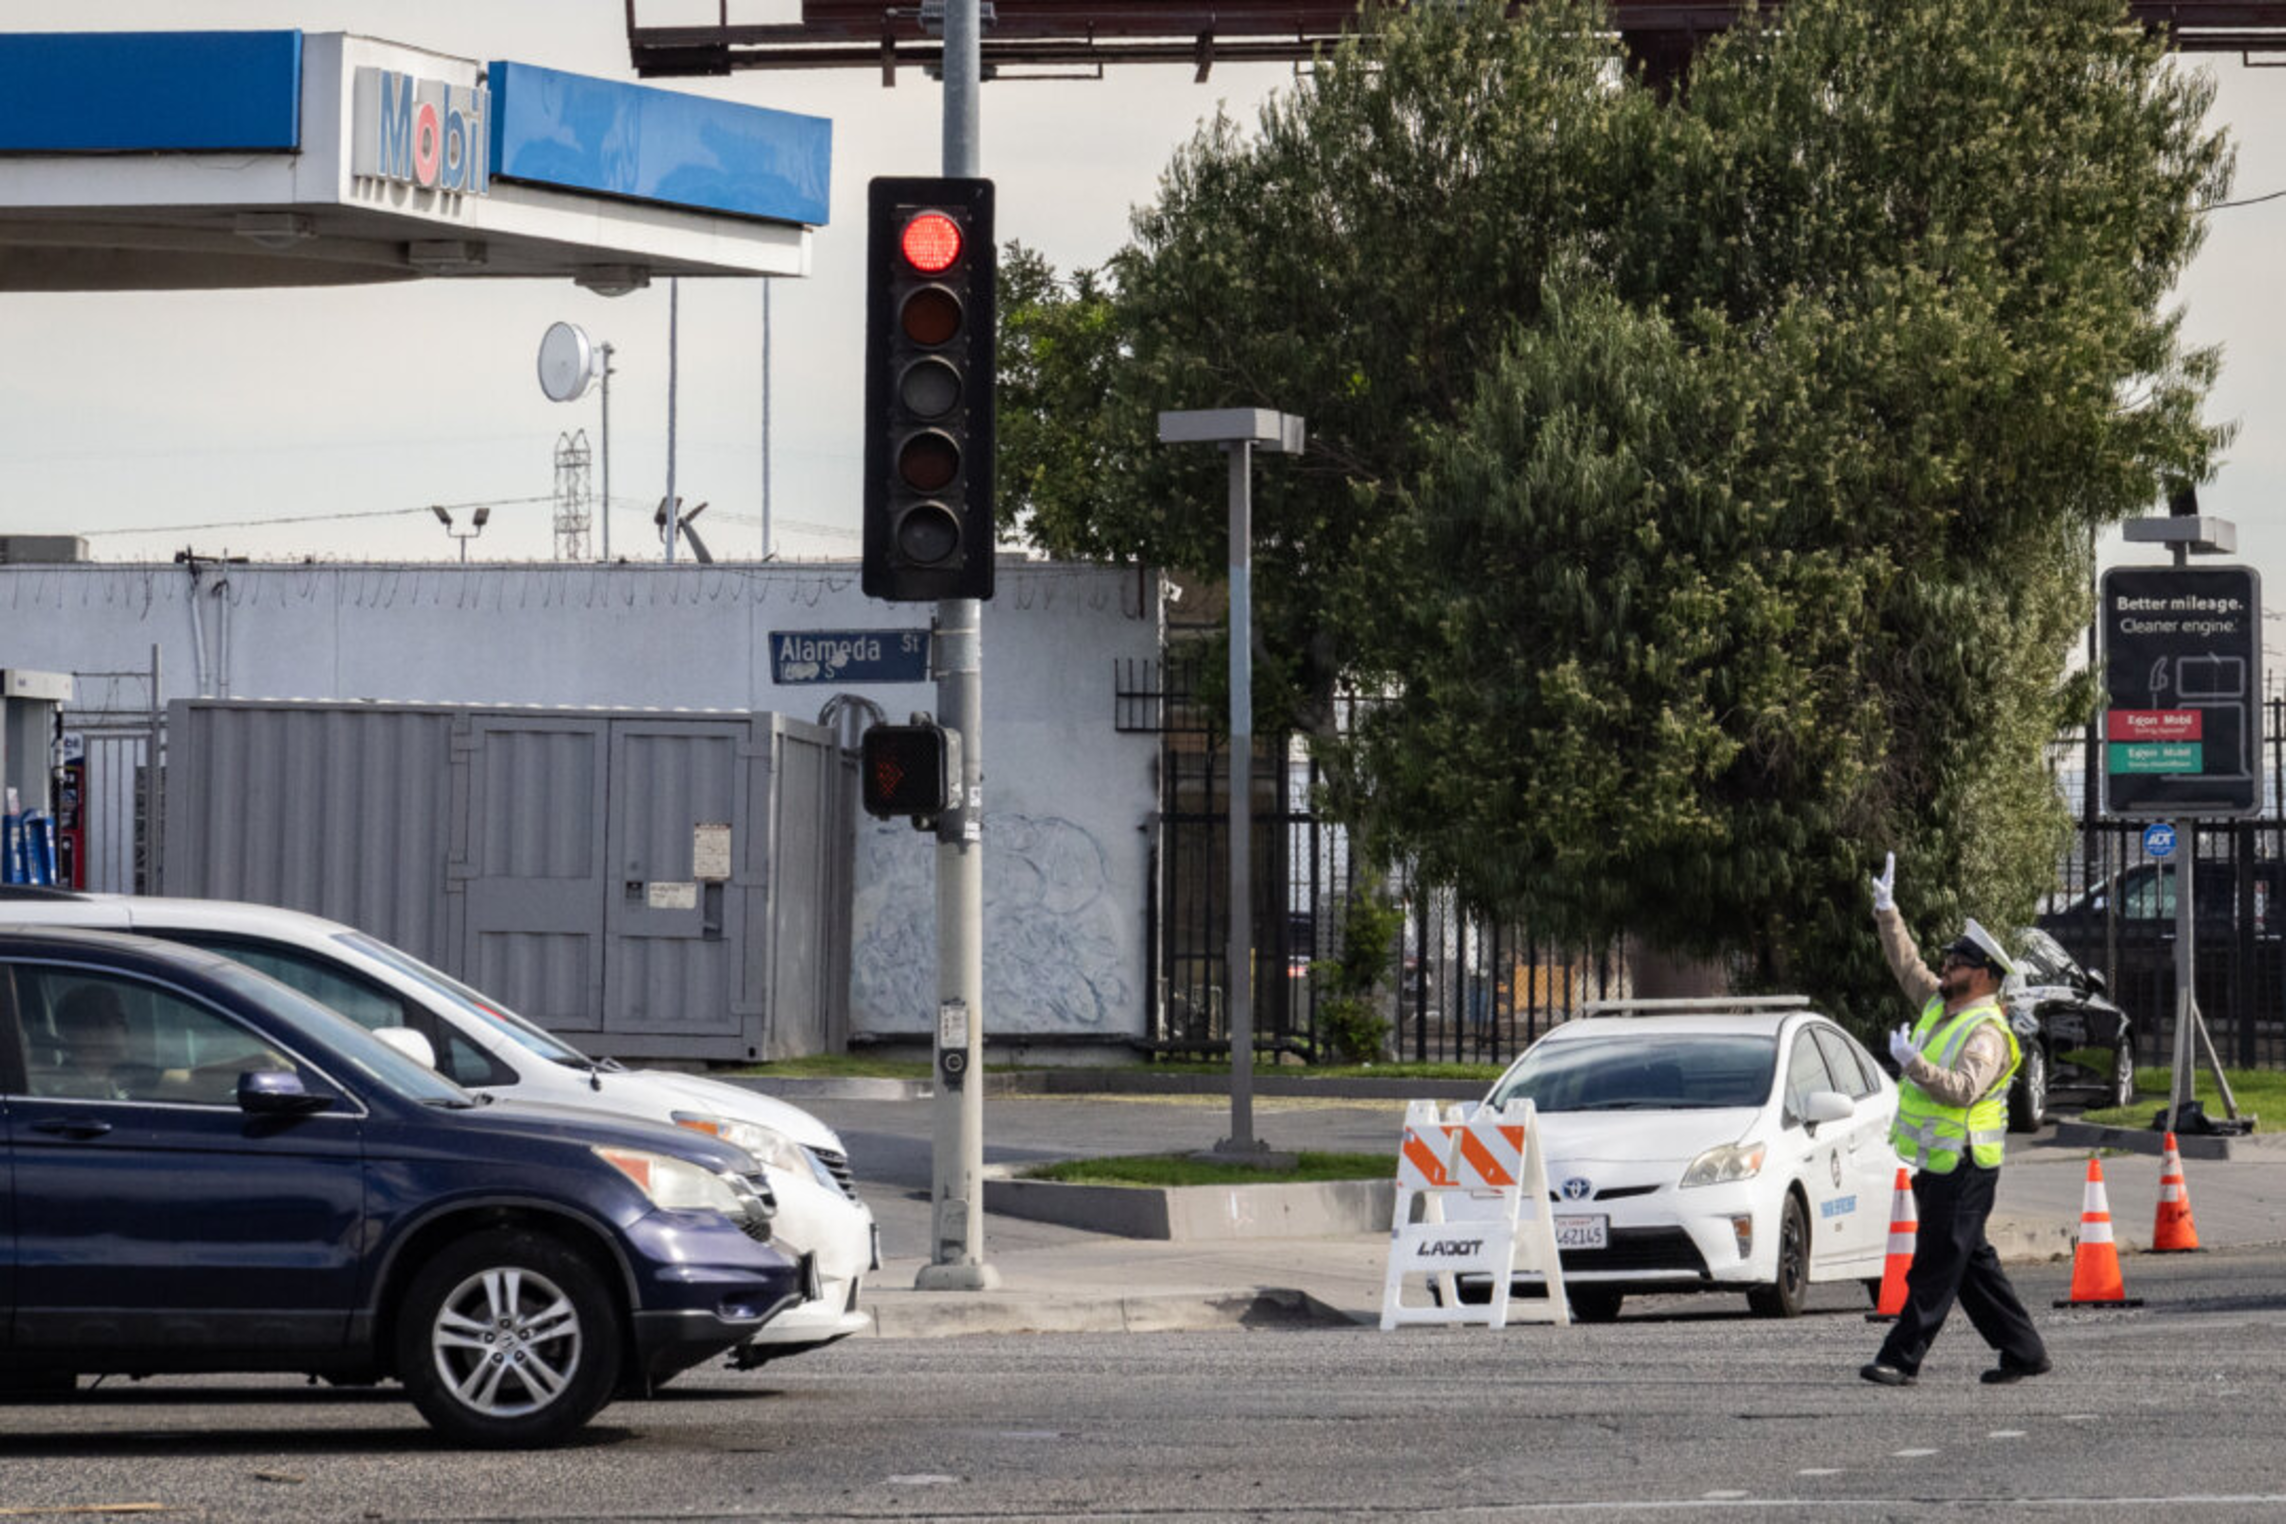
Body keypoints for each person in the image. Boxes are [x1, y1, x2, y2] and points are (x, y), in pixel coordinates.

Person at [1858, 853, 2051, 1387]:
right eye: (1947, 959)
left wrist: (1913, 1065)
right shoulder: (1941, 1006)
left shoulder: (1986, 1031)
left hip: (1967, 1167)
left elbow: (1964, 1090)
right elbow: (1906, 964)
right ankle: (2025, 1352)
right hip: (1942, 1164)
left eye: (1958, 962)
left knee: (1936, 1264)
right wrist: (1887, 912)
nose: (1946, 967)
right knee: (1971, 1264)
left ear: (1984, 975)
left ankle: (1902, 1357)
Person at [44, 982, 139, 1101]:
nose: (126, 1029)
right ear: (90, 1033)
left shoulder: (121, 1082)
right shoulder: (66, 1095)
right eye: (119, 1021)